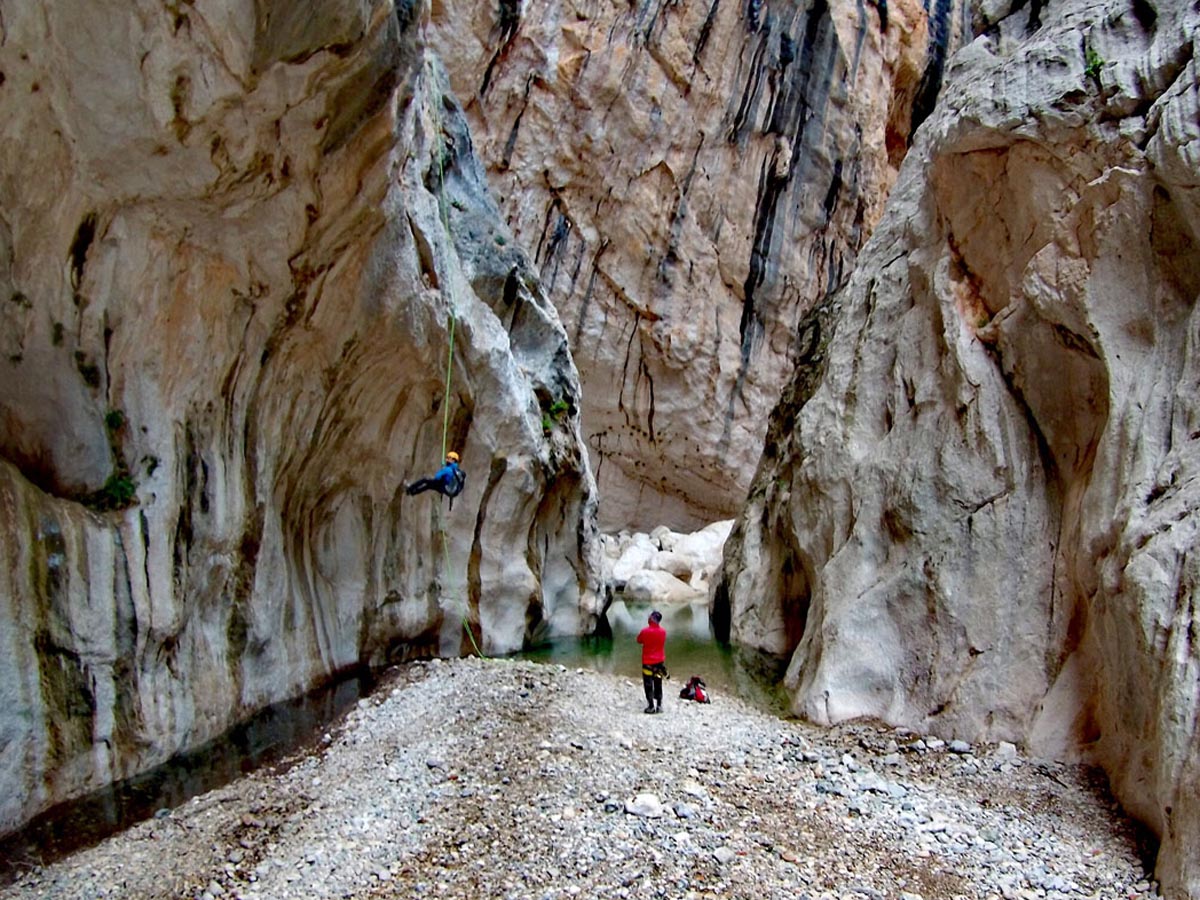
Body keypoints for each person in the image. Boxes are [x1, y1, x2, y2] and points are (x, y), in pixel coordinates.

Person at [636, 610, 667, 714]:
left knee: (648, 684)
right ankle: (659, 705)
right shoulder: (663, 632)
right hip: (659, 662)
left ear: (651, 619)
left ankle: (650, 706)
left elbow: (639, 640)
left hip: (648, 662)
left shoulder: (645, 631)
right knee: (658, 682)